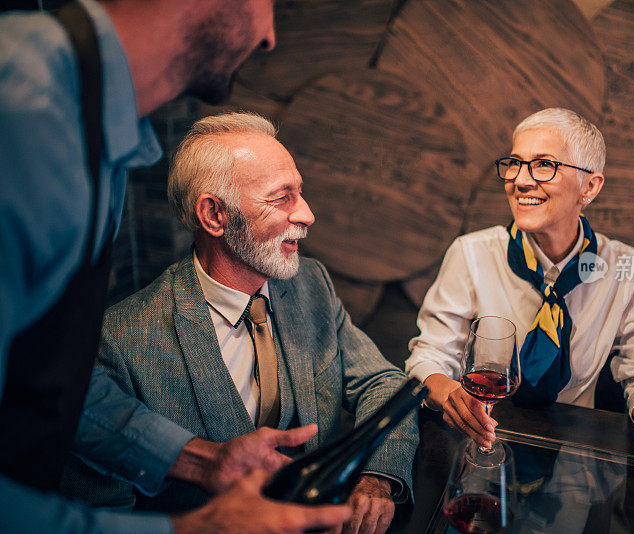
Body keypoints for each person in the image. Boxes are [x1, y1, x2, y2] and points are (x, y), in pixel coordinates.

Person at [0, 1, 350, 532]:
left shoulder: (105, 138)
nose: (270, 36)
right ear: (212, 215)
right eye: (268, 4)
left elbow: (54, 387)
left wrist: (202, 459)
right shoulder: (22, 113)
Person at [61, 111, 419, 534]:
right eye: (281, 197)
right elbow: (106, 515)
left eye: (299, 193)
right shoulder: (119, 342)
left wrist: (377, 478)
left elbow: (383, 382)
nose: (306, 214)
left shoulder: (310, 284)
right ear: (214, 215)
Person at [405, 108, 634, 478]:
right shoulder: (471, 253)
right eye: (514, 163)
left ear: (590, 187)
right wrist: (448, 393)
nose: (520, 181)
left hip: (574, 463)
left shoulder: (625, 266)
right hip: (476, 446)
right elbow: (430, 354)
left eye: (543, 165)